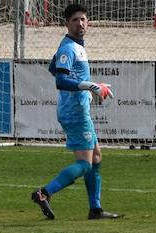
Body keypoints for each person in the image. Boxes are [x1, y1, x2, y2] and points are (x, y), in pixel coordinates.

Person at [29, 3, 120, 221]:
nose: (80, 23)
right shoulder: (69, 47)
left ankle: (95, 210)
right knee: (84, 163)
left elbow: (54, 68)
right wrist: (90, 86)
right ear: (67, 23)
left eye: (83, 19)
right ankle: (44, 193)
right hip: (75, 111)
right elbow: (60, 80)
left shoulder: (74, 46)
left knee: (96, 157)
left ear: (88, 22)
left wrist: (90, 84)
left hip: (77, 108)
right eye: (75, 20)